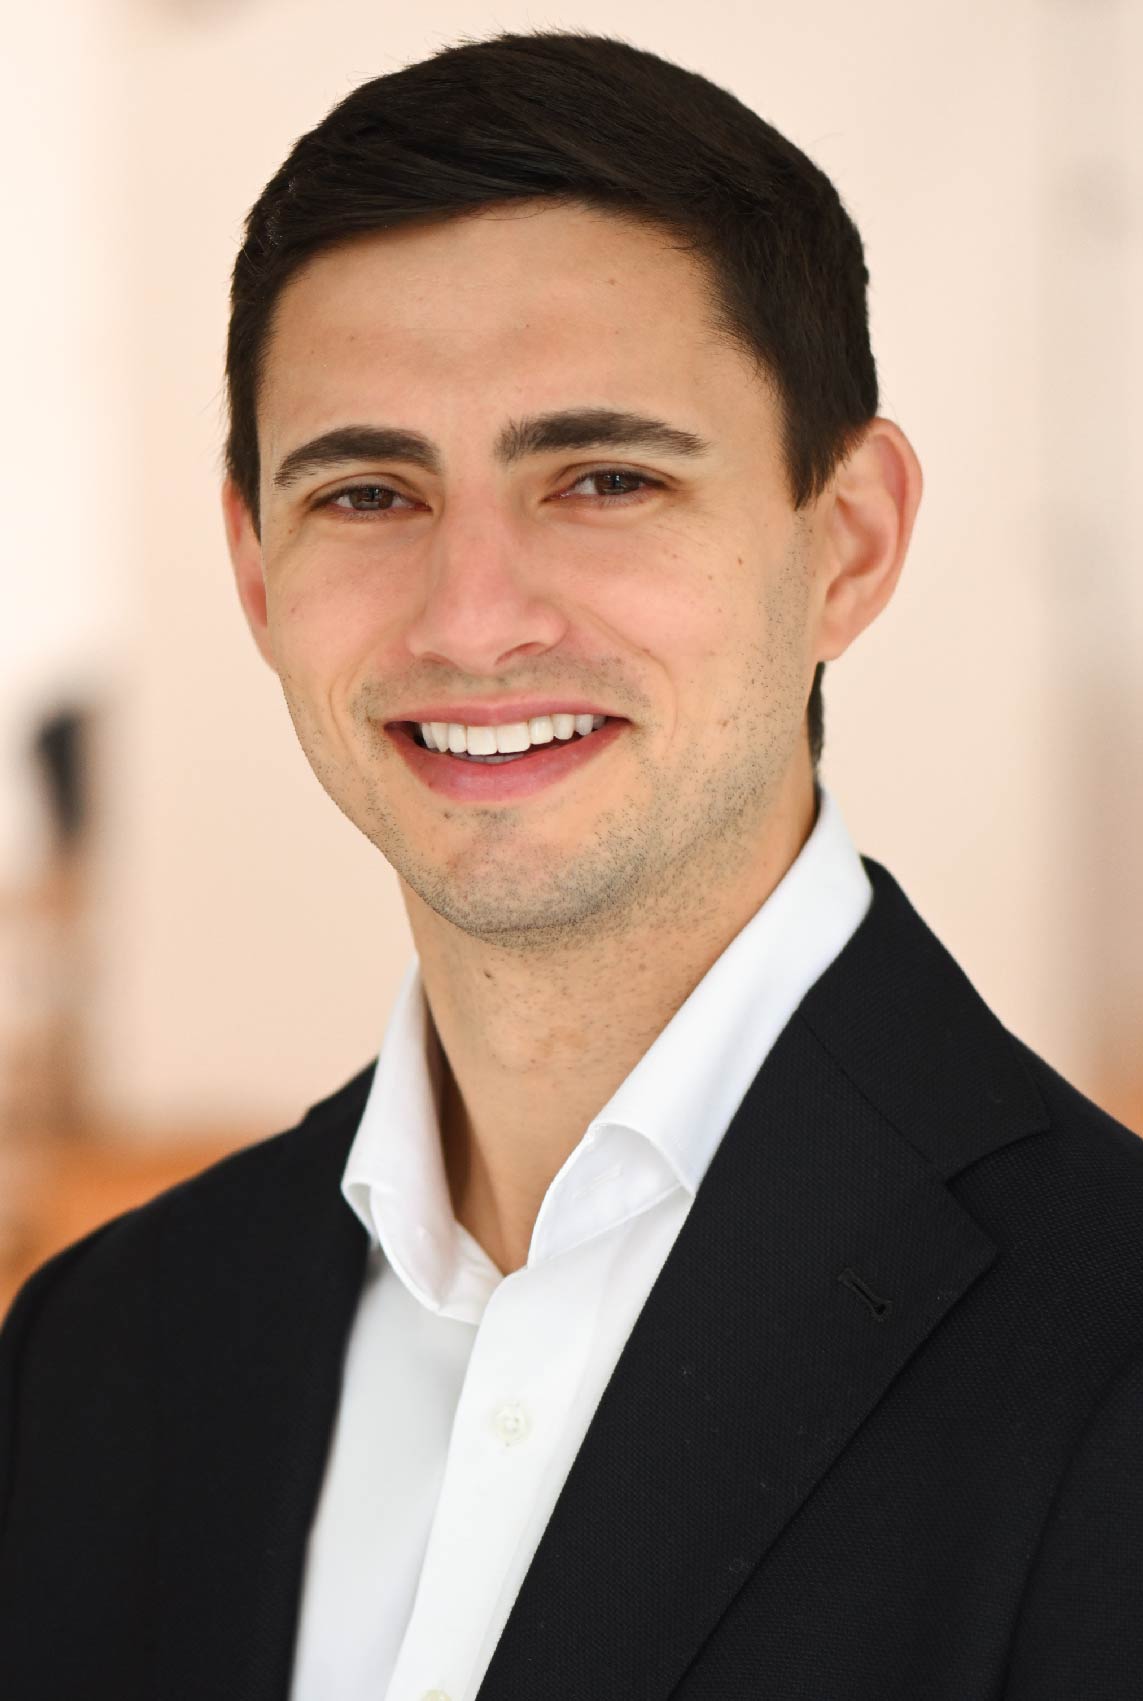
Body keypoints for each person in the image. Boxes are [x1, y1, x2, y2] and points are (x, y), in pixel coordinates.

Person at [1, 27, 1141, 1701]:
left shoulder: (1110, 1360)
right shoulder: (101, 1351)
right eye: (368, 492)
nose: (474, 619)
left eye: (605, 478)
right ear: (256, 572)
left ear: (849, 540)